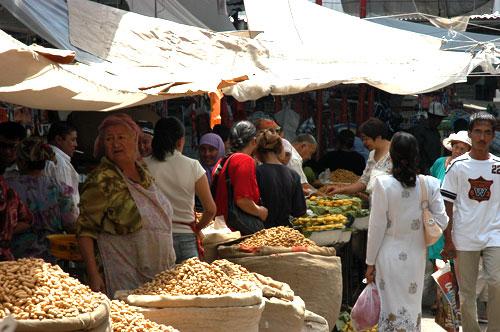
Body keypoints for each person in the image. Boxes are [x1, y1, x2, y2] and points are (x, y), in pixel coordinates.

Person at [77, 113, 175, 296]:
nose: (115, 144)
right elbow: (84, 230)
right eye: (109, 139)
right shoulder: (101, 180)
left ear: (135, 138)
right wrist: (93, 274)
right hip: (122, 275)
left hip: (158, 273)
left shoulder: (144, 172)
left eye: (121, 137)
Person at [365, 132, 448, 331]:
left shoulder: (382, 184)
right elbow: (443, 220)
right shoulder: (430, 184)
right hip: (415, 255)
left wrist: (370, 262)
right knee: (411, 307)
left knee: (389, 306)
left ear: (391, 155)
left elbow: (376, 228)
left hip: (387, 254)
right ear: (416, 155)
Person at [441, 112, 499, 332]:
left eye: (487, 133)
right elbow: (446, 205)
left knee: (497, 283)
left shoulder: (499, 166)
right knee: (466, 292)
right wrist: (448, 239)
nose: (482, 137)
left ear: (493, 136)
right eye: (478, 132)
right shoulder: (458, 166)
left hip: (495, 234)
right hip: (464, 235)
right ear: (470, 134)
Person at [146, 117, 216, 263]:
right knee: (189, 283)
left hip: (153, 239)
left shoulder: (142, 166)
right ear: (180, 141)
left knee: (156, 285)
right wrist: (197, 228)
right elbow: (210, 209)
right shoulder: (192, 166)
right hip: (186, 238)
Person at [7, 137, 78, 263]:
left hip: (15, 257)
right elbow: (71, 224)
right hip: (52, 258)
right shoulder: (59, 188)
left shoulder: (8, 187)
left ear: (21, 162)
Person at [212, 121, 268, 228]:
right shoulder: (244, 160)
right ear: (254, 141)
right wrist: (260, 211)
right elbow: (242, 200)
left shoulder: (223, 160)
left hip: (222, 225)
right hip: (236, 229)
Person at [326, 118, 392, 195]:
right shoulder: (372, 155)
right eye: (363, 139)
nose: (364, 143)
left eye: (366, 139)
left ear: (378, 137)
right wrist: (340, 189)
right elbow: (363, 182)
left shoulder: (394, 153)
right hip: (376, 202)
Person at [255, 129, 306, 228]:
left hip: (261, 231)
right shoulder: (293, 175)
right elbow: (299, 211)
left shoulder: (256, 172)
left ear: (257, 152)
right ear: (279, 150)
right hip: (284, 232)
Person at [45, 121, 80, 209]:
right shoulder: (61, 163)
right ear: (59, 140)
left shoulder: (51, 156)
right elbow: (67, 199)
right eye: (72, 140)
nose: (76, 144)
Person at [0, 176, 32, 261]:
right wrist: (7, 232)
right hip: (5, 259)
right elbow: (27, 221)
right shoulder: (9, 193)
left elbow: (27, 221)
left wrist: (7, 231)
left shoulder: (9, 194)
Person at [410, 102, 447, 174]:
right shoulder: (419, 130)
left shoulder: (435, 131)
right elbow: (416, 152)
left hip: (433, 168)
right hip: (423, 170)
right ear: (430, 116)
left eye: (440, 119)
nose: (438, 122)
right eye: (437, 119)